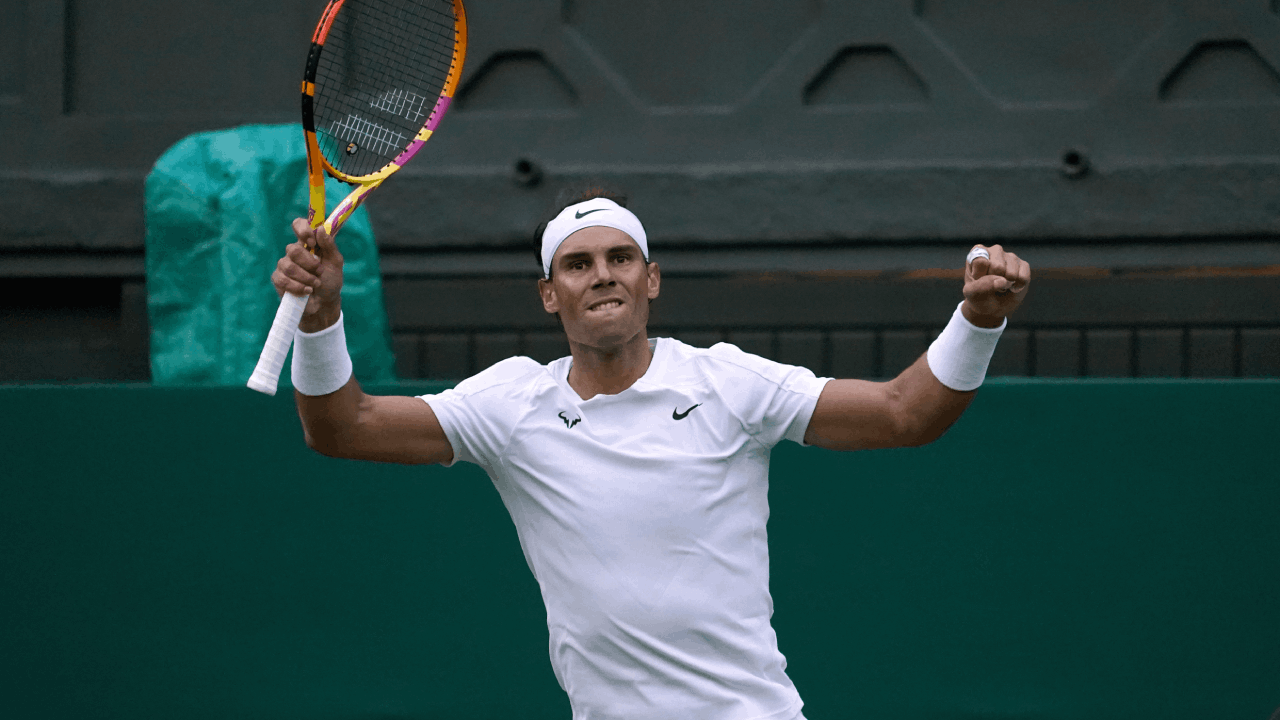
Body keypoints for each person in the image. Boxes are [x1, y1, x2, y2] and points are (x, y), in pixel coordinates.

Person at [272, 186, 1031, 720]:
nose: (601, 273)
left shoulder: (727, 383)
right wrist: (322, 317)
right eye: (577, 264)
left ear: (650, 279)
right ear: (549, 294)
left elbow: (906, 415)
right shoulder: (509, 406)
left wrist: (978, 320)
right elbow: (344, 428)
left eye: (619, 257)